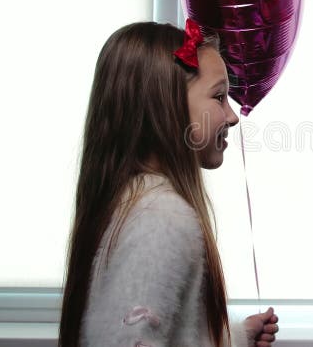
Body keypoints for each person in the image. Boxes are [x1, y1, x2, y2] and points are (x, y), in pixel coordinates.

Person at [58, 21, 279, 347]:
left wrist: (236, 337)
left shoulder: (134, 203)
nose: (232, 116)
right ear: (168, 108)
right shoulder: (162, 218)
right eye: (218, 97)